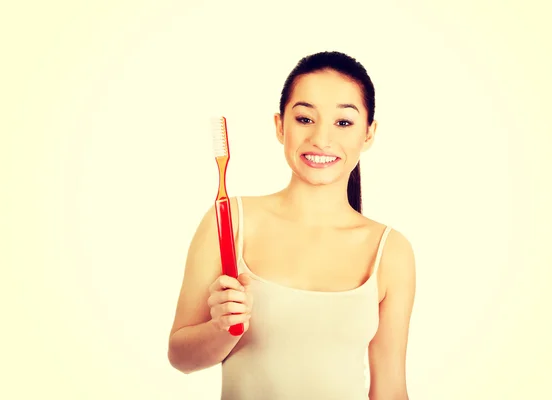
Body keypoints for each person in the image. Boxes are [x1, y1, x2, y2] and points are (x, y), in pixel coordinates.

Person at [167, 51, 416, 400]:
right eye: (304, 118)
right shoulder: (229, 223)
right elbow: (180, 357)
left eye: (343, 122)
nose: (321, 139)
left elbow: (390, 388)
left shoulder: (390, 250)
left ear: (369, 133)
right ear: (280, 126)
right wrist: (222, 329)